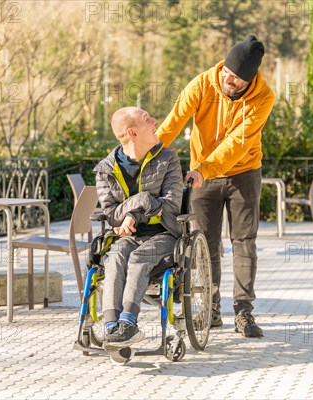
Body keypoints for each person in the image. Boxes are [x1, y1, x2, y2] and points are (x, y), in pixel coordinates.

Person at [156, 35, 275, 338]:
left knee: (243, 242)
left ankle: (243, 311)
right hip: (202, 175)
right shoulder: (204, 83)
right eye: (227, 72)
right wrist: (146, 159)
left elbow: (238, 143)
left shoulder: (263, 97)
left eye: (236, 78)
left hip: (243, 173)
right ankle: (210, 308)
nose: (228, 79)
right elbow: (173, 123)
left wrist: (204, 168)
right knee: (205, 245)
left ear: (249, 80)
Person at [94, 106, 183, 348]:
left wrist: (133, 214)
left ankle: (128, 322)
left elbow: (172, 204)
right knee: (115, 258)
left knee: (140, 257)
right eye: (147, 120)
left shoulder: (168, 159)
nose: (155, 122)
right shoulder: (105, 169)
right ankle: (112, 325)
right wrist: (142, 202)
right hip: (126, 236)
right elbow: (111, 214)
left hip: (164, 233)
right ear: (133, 133)